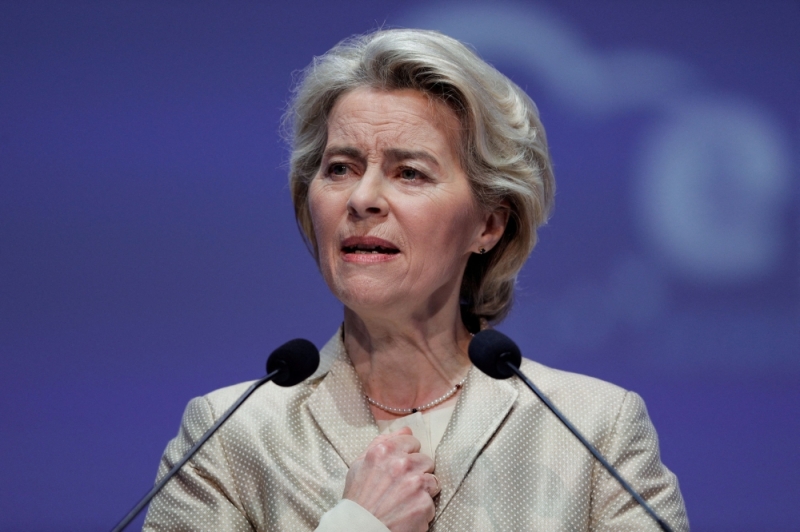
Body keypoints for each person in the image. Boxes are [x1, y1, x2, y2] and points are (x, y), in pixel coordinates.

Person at [143, 29, 689, 531]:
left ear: (488, 224)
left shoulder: (593, 431)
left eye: (409, 172)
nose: (362, 199)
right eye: (340, 168)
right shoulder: (230, 438)